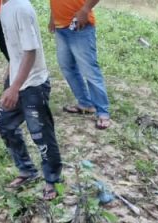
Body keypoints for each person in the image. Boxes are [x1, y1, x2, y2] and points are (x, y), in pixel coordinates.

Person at [0, 0, 62, 200]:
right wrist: (10, 73)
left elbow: (30, 51)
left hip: (33, 85)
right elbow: (15, 47)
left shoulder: (22, 8)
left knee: (41, 135)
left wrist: (14, 87)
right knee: (5, 126)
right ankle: (27, 171)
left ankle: (52, 181)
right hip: (17, 80)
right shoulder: (4, 5)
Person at [48, 0, 110, 129]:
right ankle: (85, 104)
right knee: (67, 67)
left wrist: (85, 9)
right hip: (61, 27)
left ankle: (103, 113)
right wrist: (53, 16)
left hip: (80, 25)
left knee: (90, 70)